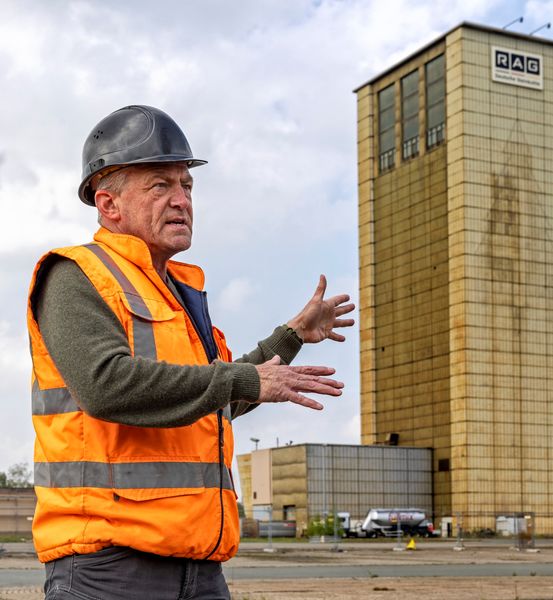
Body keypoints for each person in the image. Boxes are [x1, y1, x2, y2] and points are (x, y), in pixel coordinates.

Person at [27, 105, 355, 600]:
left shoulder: (177, 293)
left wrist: (288, 337)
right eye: (161, 186)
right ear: (108, 204)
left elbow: (211, 401)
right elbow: (105, 385)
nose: (182, 200)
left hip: (198, 569)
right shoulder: (76, 276)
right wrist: (246, 381)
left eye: (187, 185)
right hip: (110, 566)